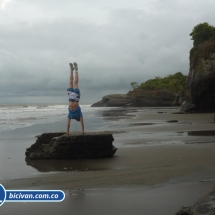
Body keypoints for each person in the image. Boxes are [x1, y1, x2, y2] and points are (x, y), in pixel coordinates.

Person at [66, 62, 85, 135]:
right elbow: (82, 123)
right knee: (76, 82)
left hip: (70, 98)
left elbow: (68, 124)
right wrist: (83, 131)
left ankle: (71, 70)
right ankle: (76, 70)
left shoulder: (70, 115)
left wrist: (67, 132)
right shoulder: (79, 114)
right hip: (76, 98)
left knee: (71, 82)